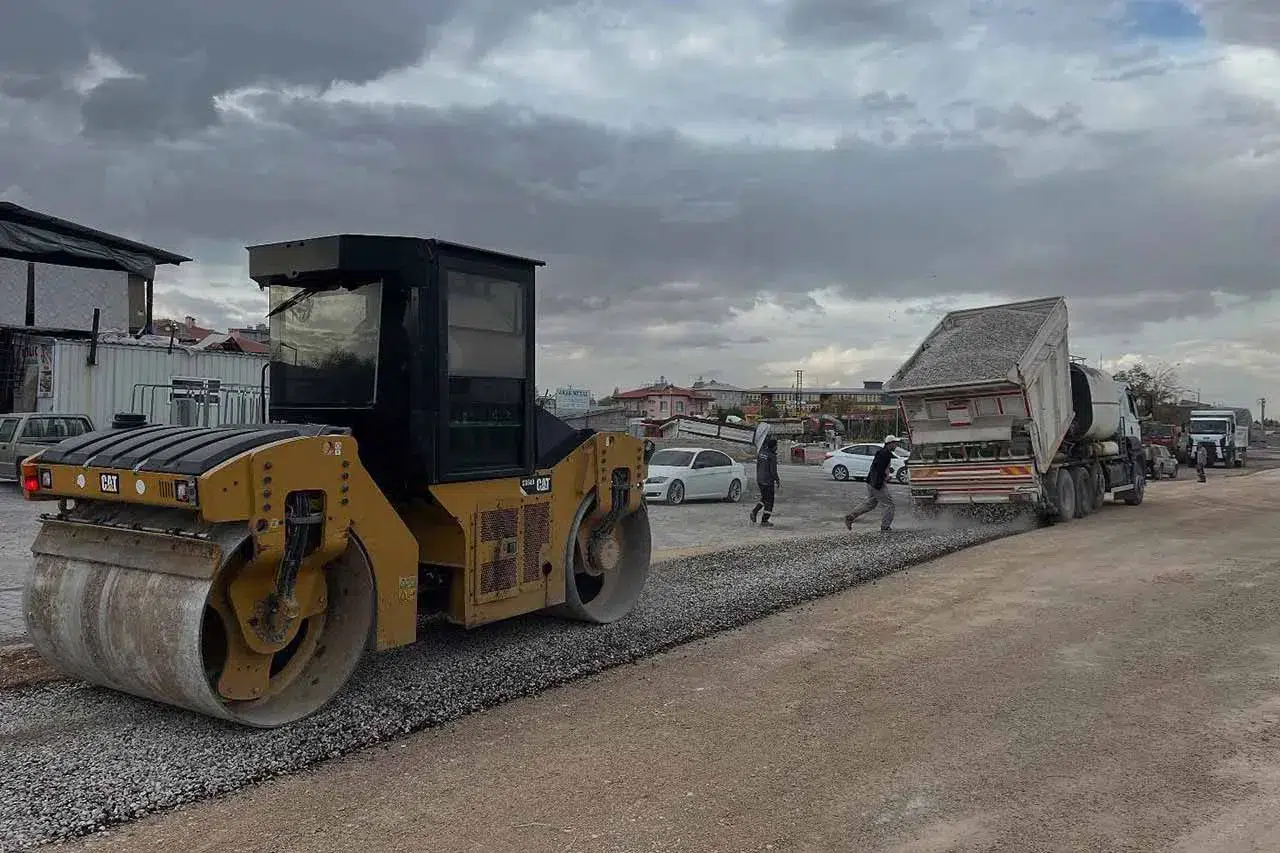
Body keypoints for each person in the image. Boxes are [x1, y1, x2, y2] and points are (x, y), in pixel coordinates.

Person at [845, 434, 899, 532]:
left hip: (871, 482)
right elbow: (877, 470)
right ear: (890, 444)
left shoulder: (883, 453)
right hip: (876, 484)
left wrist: (886, 472)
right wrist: (880, 482)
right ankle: (885, 527)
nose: (896, 446)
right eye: (895, 444)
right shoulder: (884, 454)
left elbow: (878, 468)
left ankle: (851, 516)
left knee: (871, 503)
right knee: (889, 505)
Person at [750, 436, 781, 527]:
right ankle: (764, 520)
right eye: (776, 445)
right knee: (770, 501)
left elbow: (758, 466)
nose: (777, 447)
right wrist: (777, 480)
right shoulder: (772, 456)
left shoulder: (761, 453)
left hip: (760, 479)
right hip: (768, 481)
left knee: (764, 498)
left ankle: (754, 511)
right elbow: (773, 471)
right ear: (774, 446)